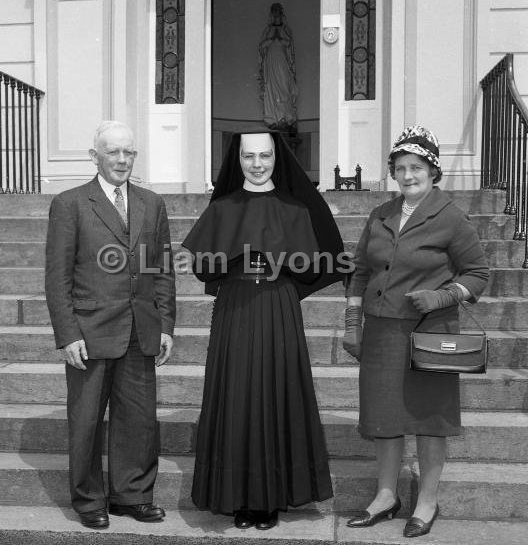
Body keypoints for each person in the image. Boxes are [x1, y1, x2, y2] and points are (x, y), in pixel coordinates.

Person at [183, 131, 345, 530]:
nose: (257, 164)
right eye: (249, 156)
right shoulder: (222, 208)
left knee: (275, 391)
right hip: (235, 309)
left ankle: (270, 497)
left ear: (277, 158)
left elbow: (310, 265)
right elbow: (203, 266)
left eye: (265, 156)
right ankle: (237, 496)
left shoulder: (294, 208)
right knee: (236, 394)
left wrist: (277, 257)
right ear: (237, 160)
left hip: (277, 307)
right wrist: (233, 255)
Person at [343, 125, 489, 538]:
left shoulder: (451, 218)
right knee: (383, 418)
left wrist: (443, 297)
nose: (407, 176)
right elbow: (360, 271)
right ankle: (385, 497)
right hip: (382, 334)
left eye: (416, 168)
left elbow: (478, 274)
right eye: (400, 168)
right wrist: (353, 325)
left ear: (433, 171)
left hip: (431, 333)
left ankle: (427, 502)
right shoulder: (381, 214)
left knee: (430, 421)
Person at [45, 121, 176, 529]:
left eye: (129, 152)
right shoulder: (70, 204)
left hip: (141, 330)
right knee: (85, 422)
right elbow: (57, 276)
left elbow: (163, 267)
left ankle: (131, 496)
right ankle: (89, 501)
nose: (122, 160)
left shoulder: (151, 203)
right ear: (95, 156)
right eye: (113, 152)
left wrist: (166, 323)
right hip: (89, 333)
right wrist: (67, 334)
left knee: (138, 420)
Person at [258, 3, 298, 132]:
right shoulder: (267, 31)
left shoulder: (286, 30)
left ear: (282, 16)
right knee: (270, 89)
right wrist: (271, 40)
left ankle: (287, 118)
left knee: (285, 87)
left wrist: (279, 40)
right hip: (270, 65)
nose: (276, 17)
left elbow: (289, 45)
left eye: (278, 14)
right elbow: (262, 46)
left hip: (283, 64)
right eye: (274, 15)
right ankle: (272, 118)